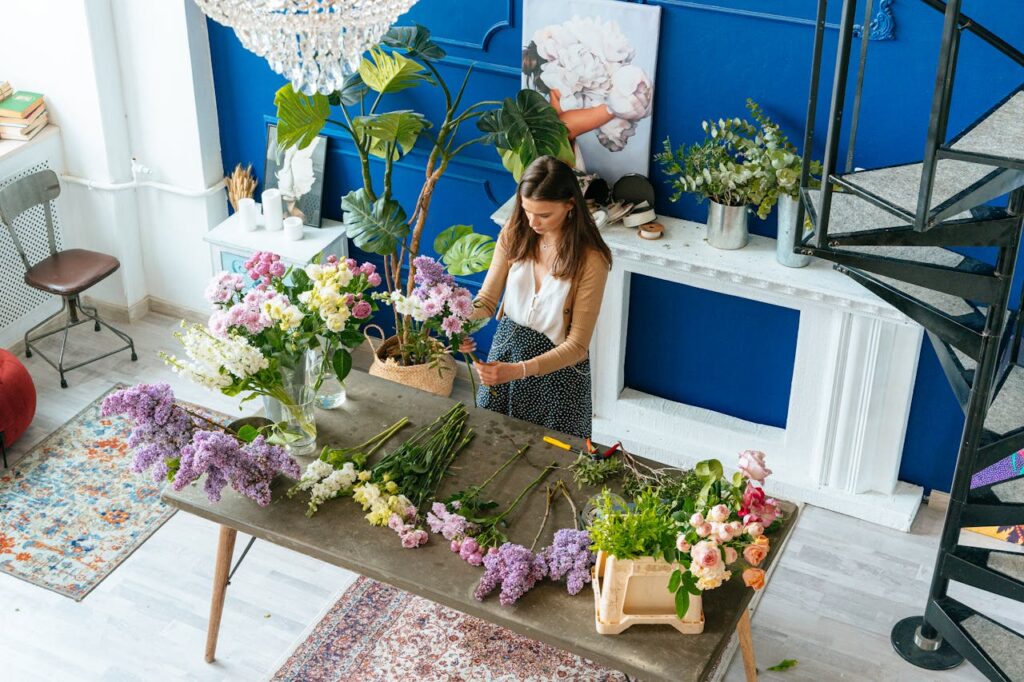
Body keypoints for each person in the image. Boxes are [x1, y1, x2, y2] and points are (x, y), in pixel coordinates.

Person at [460, 155, 612, 439]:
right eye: (527, 210)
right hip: (505, 353)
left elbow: (577, 346)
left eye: (544, 215)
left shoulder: (592, 259)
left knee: (552, 461)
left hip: (557, 372)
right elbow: (487, 302)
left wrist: (517, 371)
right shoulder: (514, 233)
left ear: (570, 205)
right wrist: (458, 323)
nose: (533, 222)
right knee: (490, 444)